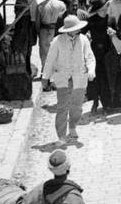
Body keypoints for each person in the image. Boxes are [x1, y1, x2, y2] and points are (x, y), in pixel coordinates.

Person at [42, 15, 97, 143]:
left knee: (77, 106)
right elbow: (50, 60)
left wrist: (91, 70)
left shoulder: (83, 40)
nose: (77, 31)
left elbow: (90, 57)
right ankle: (61, 135)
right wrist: (46, 77)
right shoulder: (57, 41)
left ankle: (72, 126)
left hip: (79, 77)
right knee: (62, 107)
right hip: (63, 78)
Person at [83, 0, 121, 115]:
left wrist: (114, 33)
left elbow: (119, 32)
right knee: (99, 78)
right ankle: (98, 101)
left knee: (112, 77)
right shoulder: (92, 20)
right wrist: (87, 36)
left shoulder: (111, 19)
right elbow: (82, 32)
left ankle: (111, 102)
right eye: (105, 5)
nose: (107, 7)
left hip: (109, 52)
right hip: (96, 52)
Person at [35, 0, 66, 88]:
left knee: (44, 55)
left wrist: (39, 32)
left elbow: (37, 23)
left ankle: (46, 76)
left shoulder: (40, 6)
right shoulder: (61, 5)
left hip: (44, 30)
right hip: (56, 31)